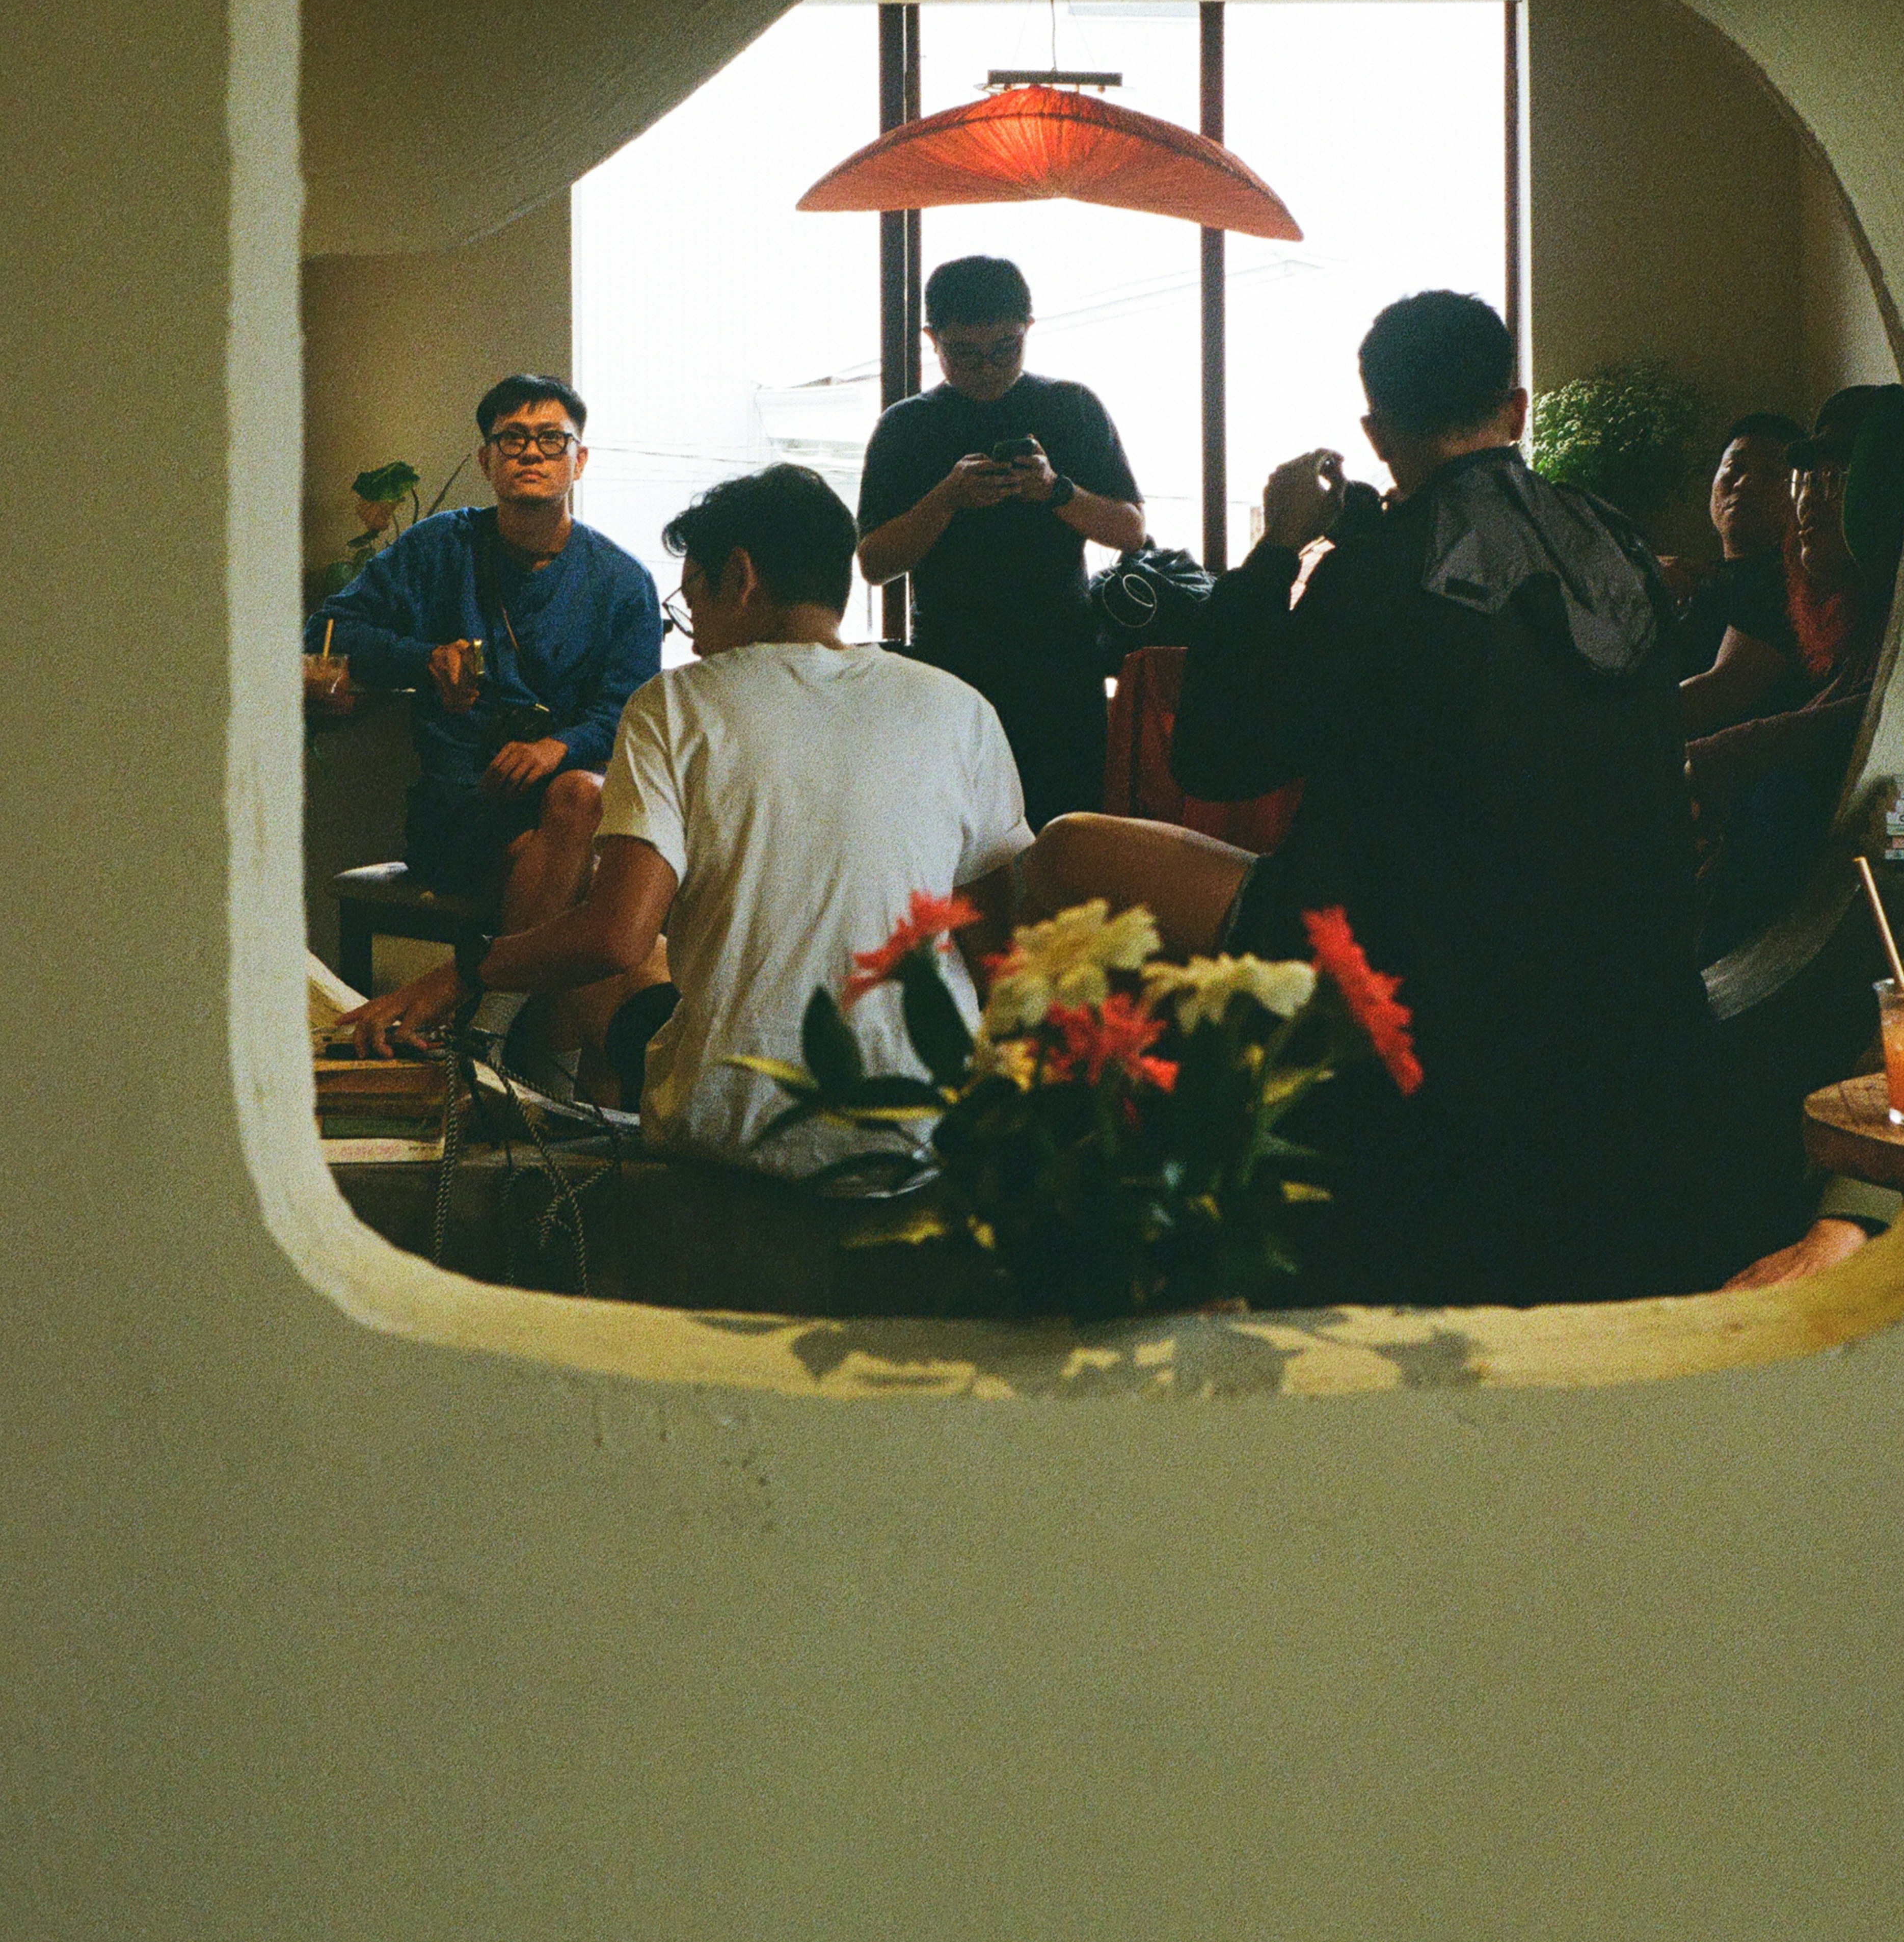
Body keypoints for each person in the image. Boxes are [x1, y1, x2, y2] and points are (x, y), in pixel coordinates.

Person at [1023, 291, 1723, 1308]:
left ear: (1374, 432)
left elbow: (1216, 761)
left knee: (1065, 852)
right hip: (1621, 980)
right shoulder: (1616, 542)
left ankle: (1126, 1220)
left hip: (1416, 961)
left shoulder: (1383, 568)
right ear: (1517, 408)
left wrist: (1274, 555)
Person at [334, 466, 1033, 1174]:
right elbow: (998, 952)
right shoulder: (959, 707)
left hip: (734, 1129)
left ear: (741, 576)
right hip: (925, 1128)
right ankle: (548, 1097)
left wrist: (463, 971)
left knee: (614, 956)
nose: (693, 637)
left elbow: (615, 938)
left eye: (692, 597)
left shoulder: (678, 705)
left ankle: (535, 1102)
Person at [305, 373, 662, 938]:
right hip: (460, 807)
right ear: (485, 459)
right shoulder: (439, 546)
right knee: (588, 893)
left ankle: (485, 1011)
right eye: (512, 440)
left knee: (577, 801)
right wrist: (423, 657)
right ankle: (499, 1011)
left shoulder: (622, 581)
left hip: (570, 805)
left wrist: (556, 747)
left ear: (580, 459)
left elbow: (631, 714)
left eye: (552, 440)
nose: (531, 455)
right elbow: (327, 630)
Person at [855, 254, 1146, 828]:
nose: (987, 369)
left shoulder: (1071, 407)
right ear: (932, 340)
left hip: (1062, 669)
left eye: (1005, 349)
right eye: (964, 353)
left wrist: (1055, 491)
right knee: (958, 847)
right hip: (950, 668)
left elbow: (1130, 530)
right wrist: (945, 500)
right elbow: (873, 564)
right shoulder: (906, 427)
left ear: (1029, 330)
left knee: (1066, 840)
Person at [1686, 390, 1901, 965]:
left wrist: (1709, 759)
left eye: (1835, 484)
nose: (1810, 505)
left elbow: (1882, 716)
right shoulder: (1843, 613)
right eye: (1807, 482)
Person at [1674, 411, 1802, 734]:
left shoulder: (1781, 581)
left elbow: (1716, 694)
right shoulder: (1704, 575)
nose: (1745, 482)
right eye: (1736, 467)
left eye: (1773, 474)